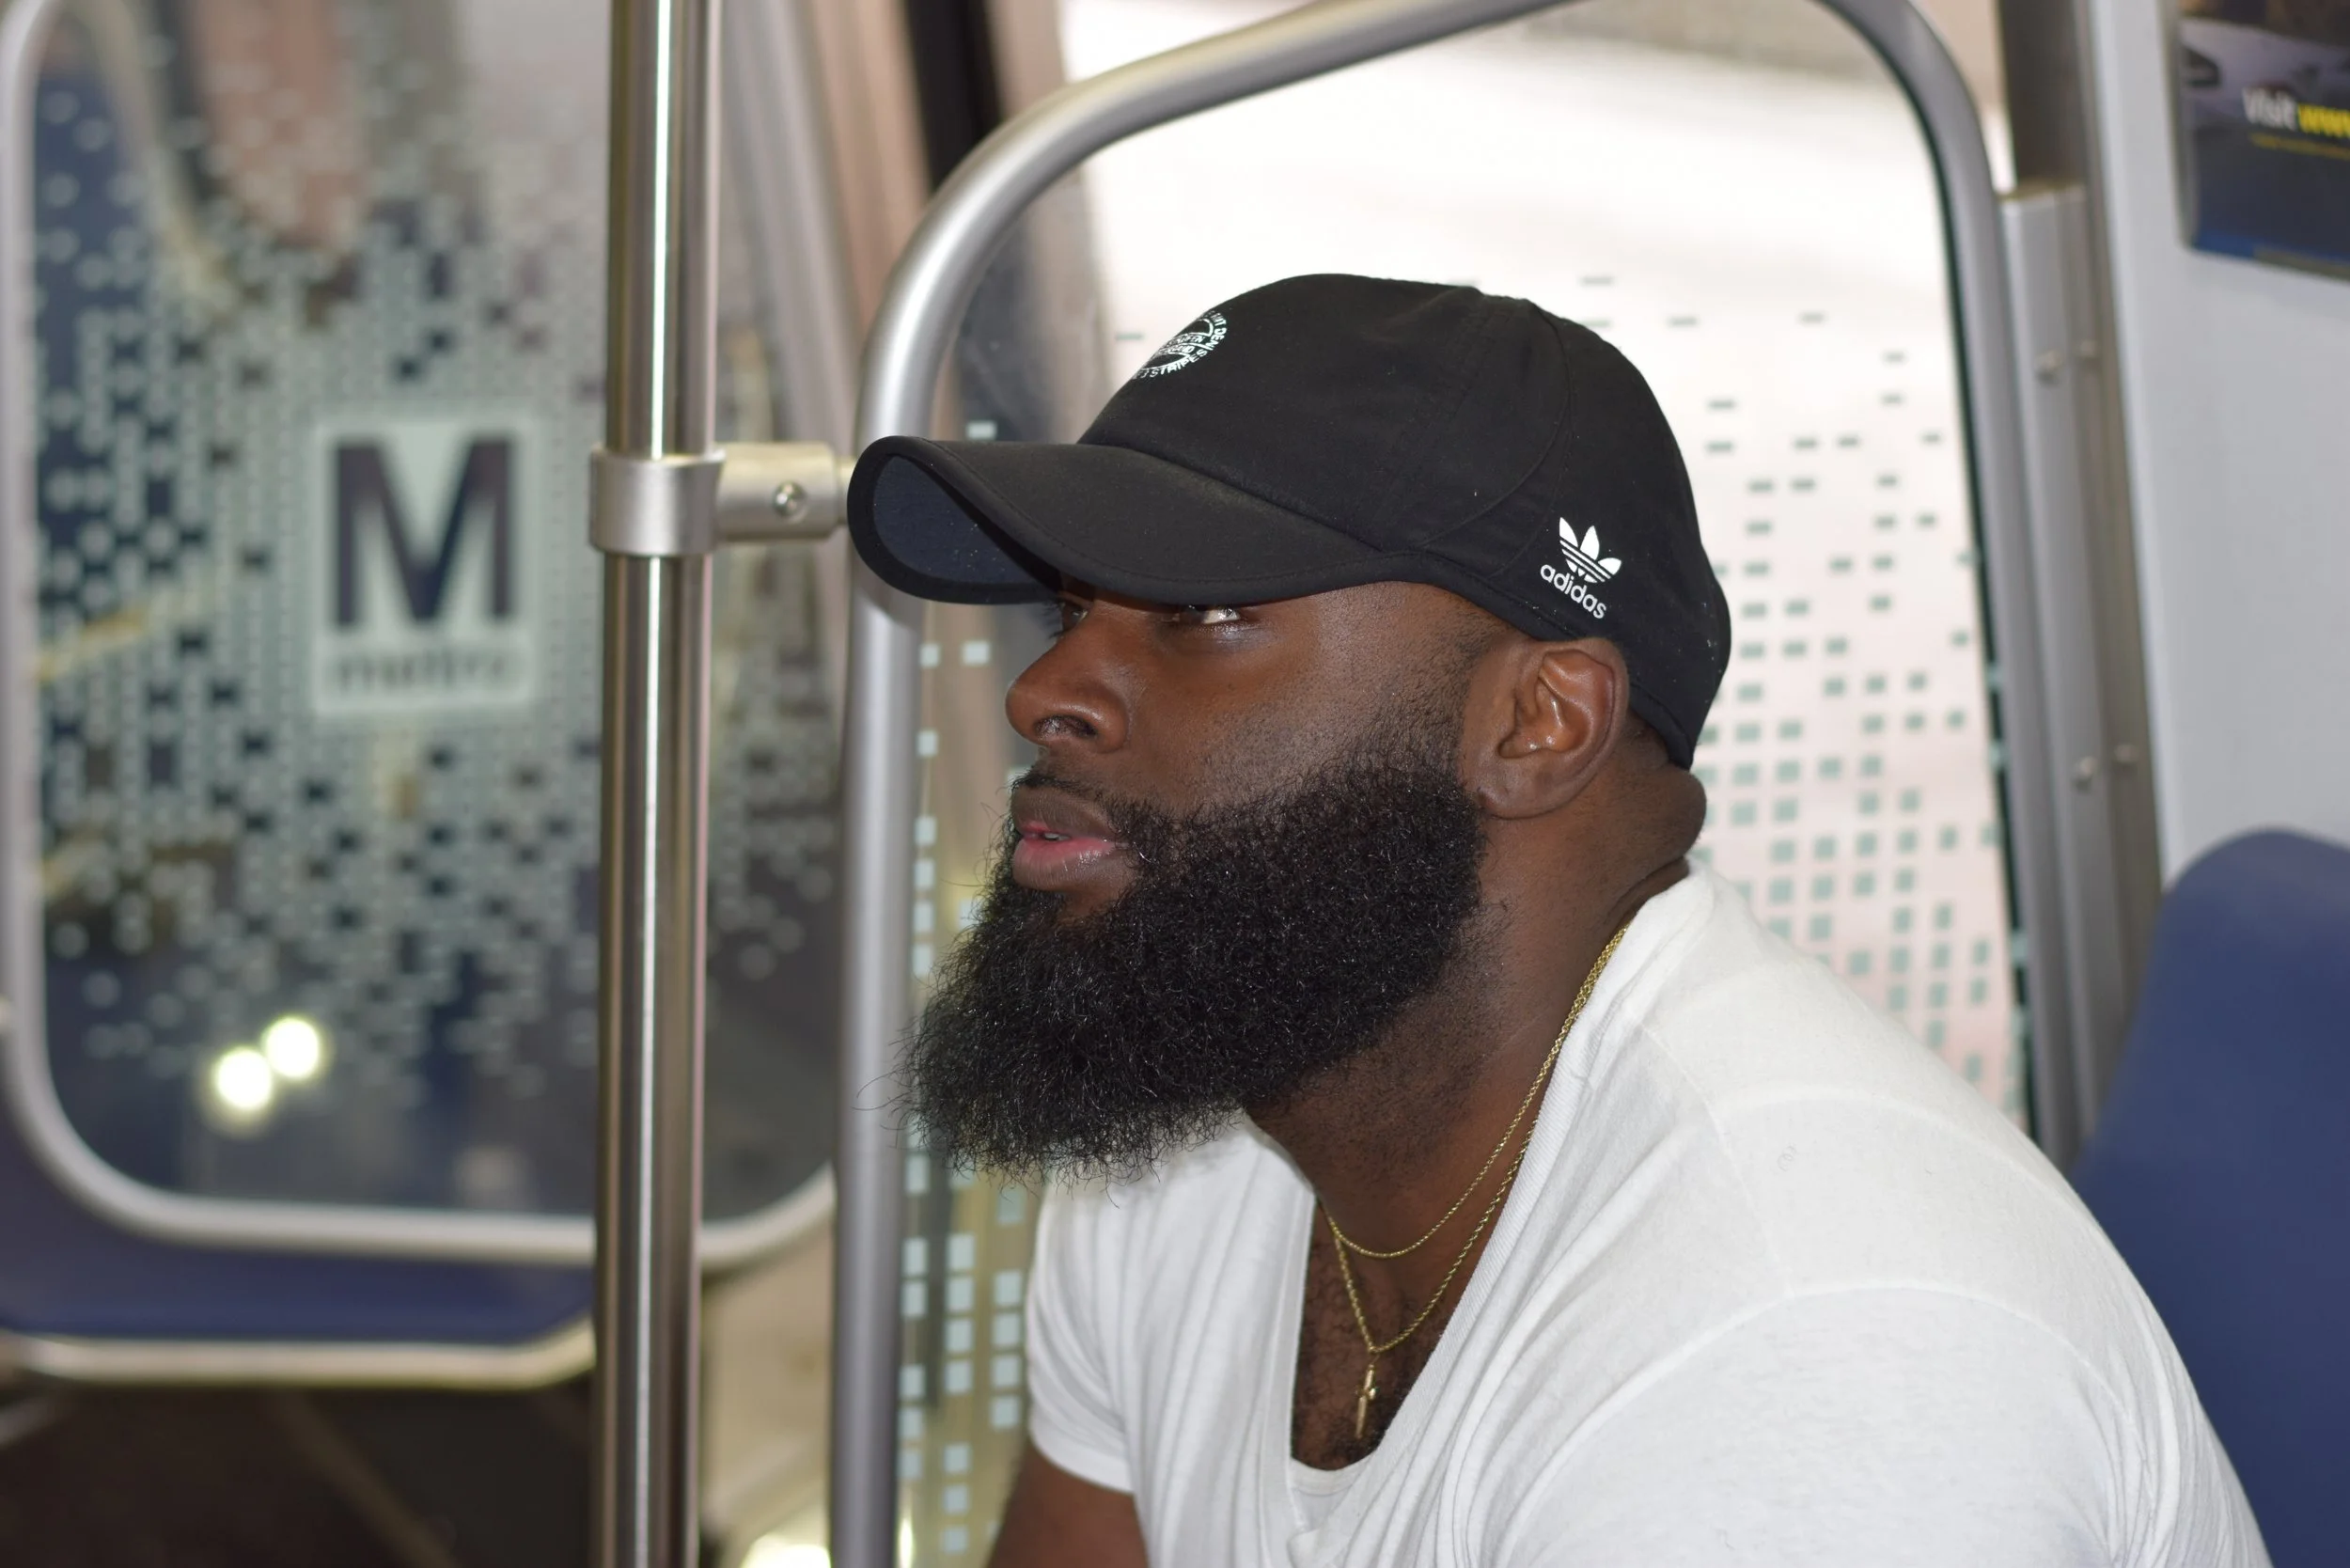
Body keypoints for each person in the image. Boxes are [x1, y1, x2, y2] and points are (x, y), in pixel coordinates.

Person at [846, 274, 2266, 1567]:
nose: (1046, 694)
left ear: (1539, 721)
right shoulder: (1193, 1145)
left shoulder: (1808, 1352)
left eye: (1203, 614)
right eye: (1071, 610)